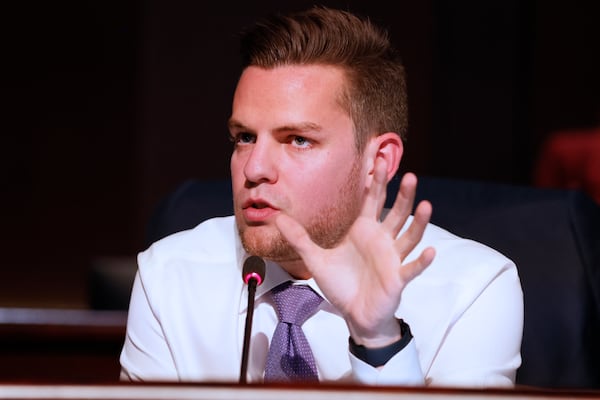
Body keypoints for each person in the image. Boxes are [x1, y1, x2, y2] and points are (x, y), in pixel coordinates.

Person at [120, 6, 523, 387]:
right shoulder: (169, 276)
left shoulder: (475, 289)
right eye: (244, 137)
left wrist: (378, 338)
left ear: (378, 161)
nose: (254, 168)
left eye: (298, 140)